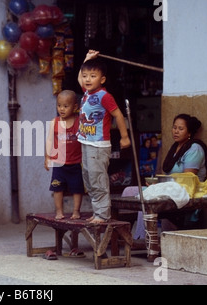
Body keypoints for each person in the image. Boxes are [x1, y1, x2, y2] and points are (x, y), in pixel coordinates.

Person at [77, 50, 131, 224]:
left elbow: (118, 115)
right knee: (89, 178)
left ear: (102, 80)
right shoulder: (87, 93)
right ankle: (97, 211)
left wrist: (124, 137)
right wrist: (86, 59)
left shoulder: (104, 96)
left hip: (99, 146)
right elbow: (79, 79)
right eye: (86, 76)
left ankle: (102, 215)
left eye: (92, 76)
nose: (87, 79)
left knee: (98, 178)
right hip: (86, 142)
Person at [161, 113, 207, 229]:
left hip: (187, 192)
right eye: (174, 127)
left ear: (189, 132)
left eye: (180, 129)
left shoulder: (195, 149)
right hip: (173, 190)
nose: (176, 131)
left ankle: (144, 239)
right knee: (134, 192)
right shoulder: (175, 148)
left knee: (144, 197)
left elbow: (188, 178)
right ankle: (140, 238)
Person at [44, 90, 84, 220]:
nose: (62, 109)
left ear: (75, 107)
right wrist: (47, 157)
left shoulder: (79, 123)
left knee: (77, 188)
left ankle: (76, 211)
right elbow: (49, 140)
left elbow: (85, 141)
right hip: (59, 163)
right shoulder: (54, 122)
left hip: (76, 163)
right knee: (57, 188)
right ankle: (59, 212)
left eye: (66, 106)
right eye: (59, 105)